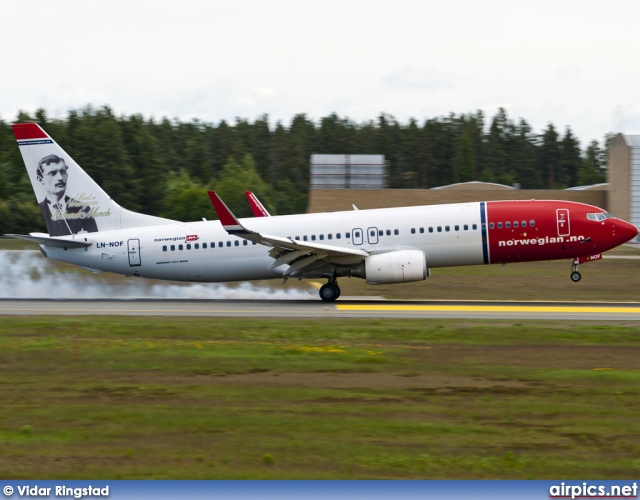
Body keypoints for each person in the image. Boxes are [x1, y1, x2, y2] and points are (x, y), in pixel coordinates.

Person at [36, 154, 98, 236]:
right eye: (52, 173)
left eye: (63, 172)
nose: (60, 178)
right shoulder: (39, 210)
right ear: (41, 180)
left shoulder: (83, 208)